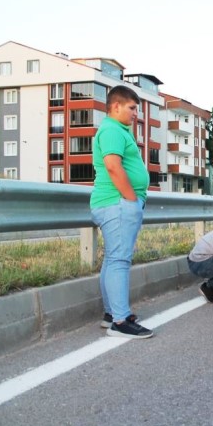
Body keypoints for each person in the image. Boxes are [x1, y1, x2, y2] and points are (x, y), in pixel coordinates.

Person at [90, 85, 153, 339]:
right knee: (119, 260)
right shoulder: (112, 130)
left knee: (112, 259)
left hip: (115, 203)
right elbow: (113, 167)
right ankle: (120, 320)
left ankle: (111, 314)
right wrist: (131, 200)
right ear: (116, 106)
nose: (135, 113)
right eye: (132, 108)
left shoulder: (116, 130)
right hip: (117, 203)